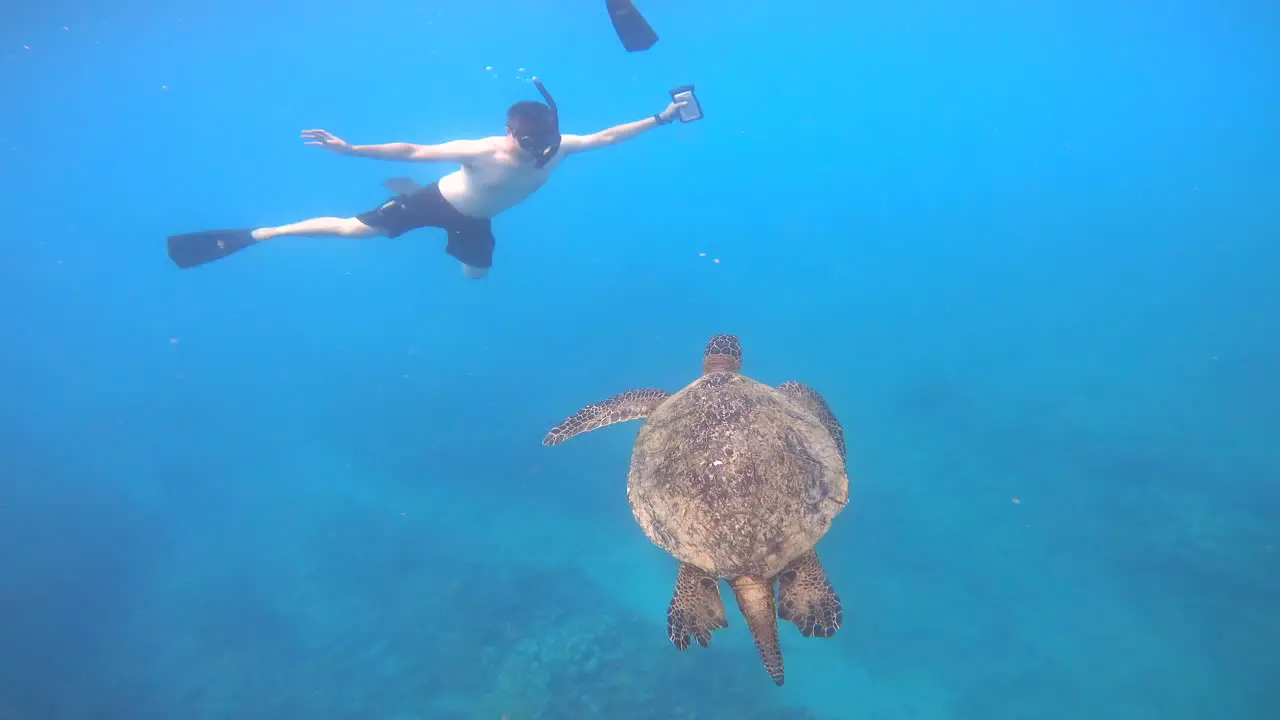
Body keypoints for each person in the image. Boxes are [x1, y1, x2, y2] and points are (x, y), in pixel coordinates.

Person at [166, 79, 688, 278]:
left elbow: (607, 136)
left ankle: (448, 240)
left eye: (541, 141)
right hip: (437, 202)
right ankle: (255, 235)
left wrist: (660, 118)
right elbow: (414, 149)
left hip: (476, 219)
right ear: (508, 132)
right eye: (523, 140)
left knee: (477, 276)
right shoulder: (482, 150)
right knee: (355, 232)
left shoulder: (562, 146)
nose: (532, 150)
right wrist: (351, 149)